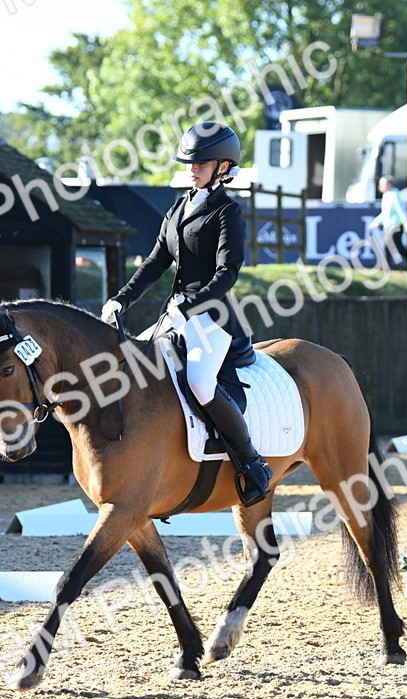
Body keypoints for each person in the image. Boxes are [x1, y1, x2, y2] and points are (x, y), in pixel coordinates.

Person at [100, 121, 272, 506]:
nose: (193, 169)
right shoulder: (179, 207)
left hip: (211, 316)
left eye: (202, 163)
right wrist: (122, 299)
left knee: (200, 383)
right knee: (133, 366)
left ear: (223, 167)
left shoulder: (227, 212)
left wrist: (190, 307)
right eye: (190, 163)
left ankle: (252, 462)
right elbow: (155, 262)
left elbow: (227, 273)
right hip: (173, 313)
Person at [368, 175, 407, 269]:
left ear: (389, 184)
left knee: (387, 247)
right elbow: (385, 213)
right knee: (399, 248)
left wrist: (406, 223)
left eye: (382, 184)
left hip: (396, 226)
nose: (380, 186)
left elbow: (401, 210)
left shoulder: (394, 195)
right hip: (388, 226)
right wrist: (376, 221)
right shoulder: (386, 195)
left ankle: (386, 269)